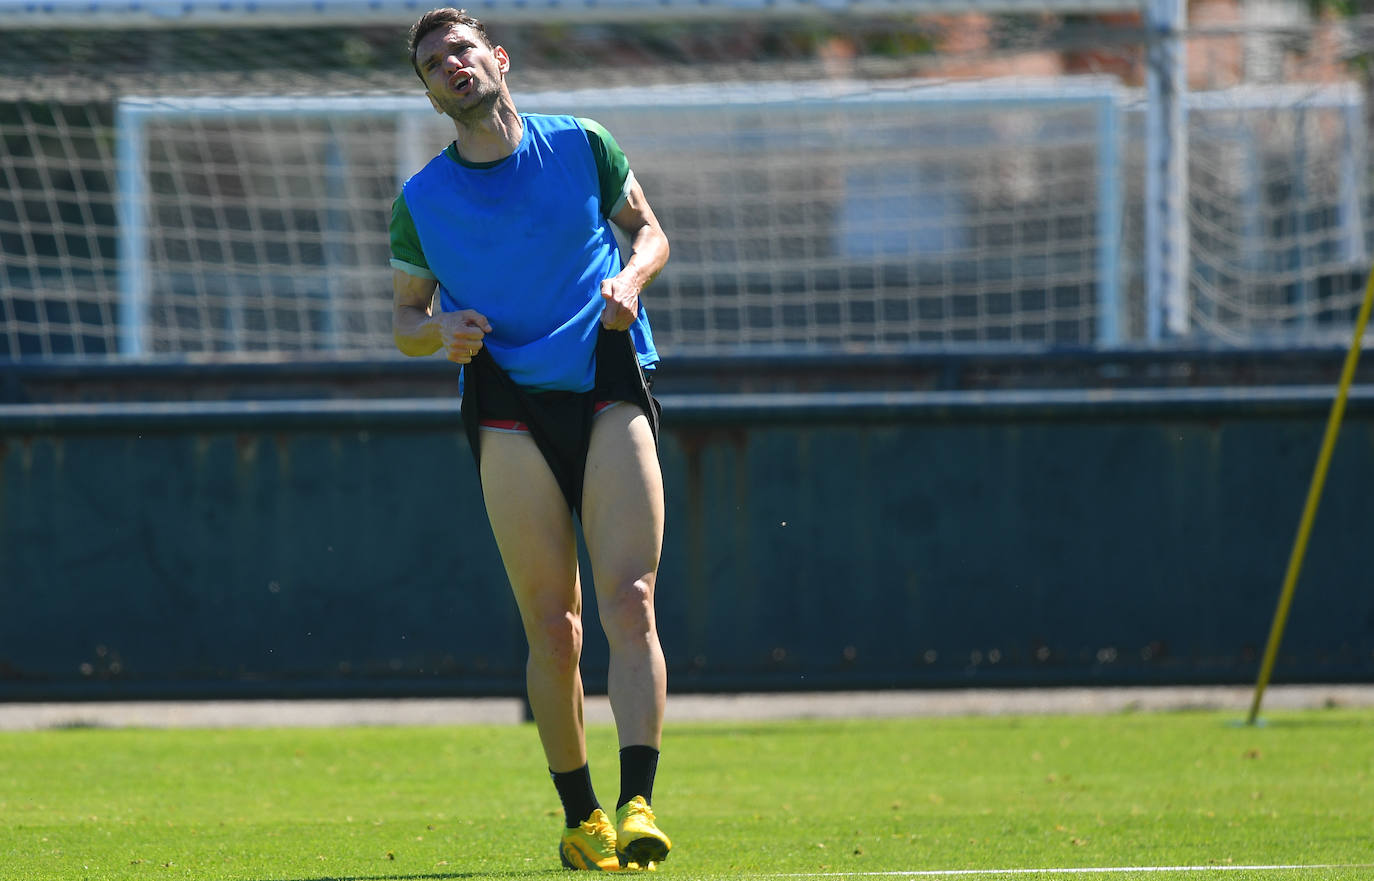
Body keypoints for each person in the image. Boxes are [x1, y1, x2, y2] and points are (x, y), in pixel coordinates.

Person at [388, 7, 673, 872]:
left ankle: (637, 804)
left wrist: (628, 278)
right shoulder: (423, 199)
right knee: (555, 629)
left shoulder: (582, 144)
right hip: (506, 397)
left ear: (498, 58)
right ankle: (581, 817)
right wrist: (442, 332)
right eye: (435, 63)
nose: (452, 66)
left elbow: (651, 231)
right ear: (431, 92)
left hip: (605, 376)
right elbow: (404, 319)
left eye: (462, 50)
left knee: (631, 603)